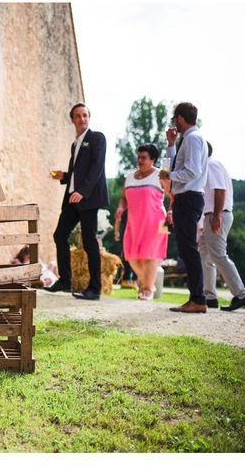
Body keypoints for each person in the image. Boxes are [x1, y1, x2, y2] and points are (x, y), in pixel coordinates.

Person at [45, 103, 108, 300]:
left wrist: (83, 191)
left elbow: (97, 167)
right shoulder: (75, 144)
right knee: (60, 235)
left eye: (85, 115)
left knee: (90, 242)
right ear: (72, 120)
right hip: (73, 198)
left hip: (88, 198)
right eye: (78, 116)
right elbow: (77, 172)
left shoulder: (97, 138)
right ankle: (65, 281)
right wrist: (64, 176)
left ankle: (95, 289)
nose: (82, 119)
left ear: (89, 117)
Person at [159, 102, 208, 313]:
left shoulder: (194, 139)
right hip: (183, 198)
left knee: (189, 249)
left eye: (174, 119)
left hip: (189, 197)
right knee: (186, 249)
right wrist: (171, 143)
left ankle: (198, 299)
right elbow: (172, 166)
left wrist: (169, 176)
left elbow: (192, 172)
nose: (174, 124)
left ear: (179, 118)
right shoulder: (186, 139)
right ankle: (195, 298)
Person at [199, 142, 245, 311]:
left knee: (218, 255)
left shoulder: (212, 164)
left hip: (217, 214)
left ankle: (241, 295)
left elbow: (220, 191)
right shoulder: (207, 166)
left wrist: (216, 215)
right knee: (205, 254)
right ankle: (210, 296)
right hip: (211, 214)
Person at [114, 144, 171, 300]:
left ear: (152, 159)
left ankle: (147, 289)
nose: (140, 160)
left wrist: (171, 211)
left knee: (150, 256)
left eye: (144, 157)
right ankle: (147, 284)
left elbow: (174, 195)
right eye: (138, 157)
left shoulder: (161, 174)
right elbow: (124, 197)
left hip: (156, 221)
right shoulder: (130, 176)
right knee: (131, 256)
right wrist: (120, 208)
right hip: (133, 223)